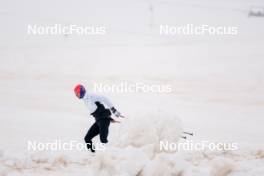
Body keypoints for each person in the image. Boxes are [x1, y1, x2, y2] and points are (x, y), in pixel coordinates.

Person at [74, 84, 122, 152]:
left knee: (103, 140)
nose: (76, 95)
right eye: (76, 94)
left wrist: (114, 110)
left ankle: (113, 155)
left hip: (104, 120)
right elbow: (97, 111)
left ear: (82, 91)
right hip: (98, 120)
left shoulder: (90, 95)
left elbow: (105, 99)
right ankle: (93, 155)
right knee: (87, 138)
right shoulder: (85, 99)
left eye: (77, 93)